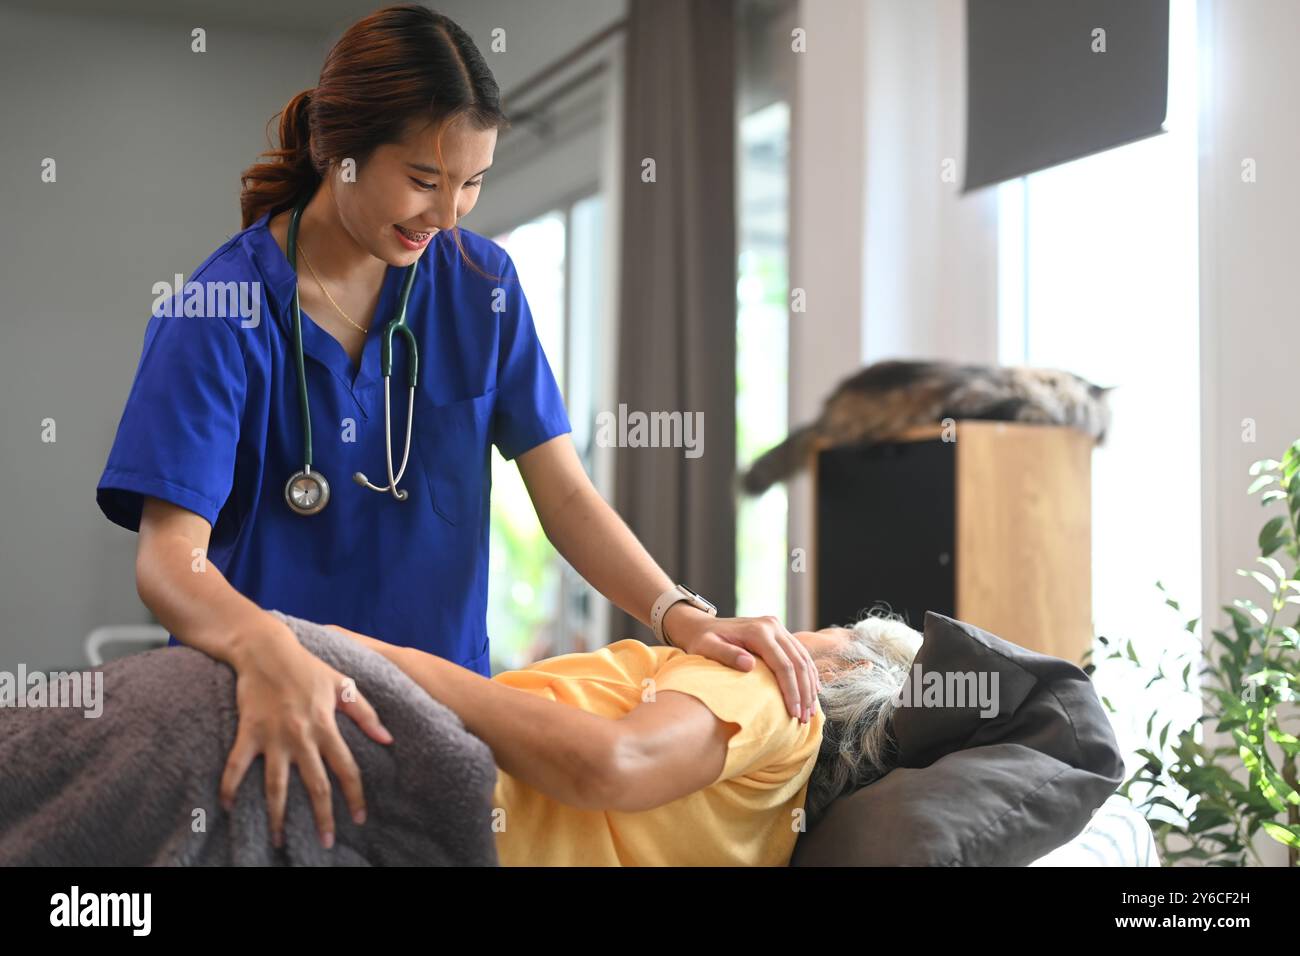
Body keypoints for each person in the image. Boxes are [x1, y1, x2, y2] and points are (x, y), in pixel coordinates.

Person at [95, 3, 819, 854]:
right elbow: (168, 562)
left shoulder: (482, 285)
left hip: (445, 718)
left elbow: (566, 495)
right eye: (425, 179)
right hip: (278, 708)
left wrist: (679, 614)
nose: (448, 213)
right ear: (340, 150)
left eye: (472, 182)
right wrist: (269, 647)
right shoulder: (219, 314)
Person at [327, 608, 923, 865]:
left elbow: (614, 763)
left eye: (829, 631)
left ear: (850, 668)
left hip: (397, 766)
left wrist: (370, 655)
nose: (787, 631)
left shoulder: (771, 685)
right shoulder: (770, 836)